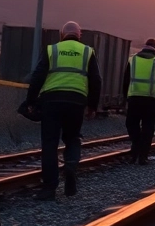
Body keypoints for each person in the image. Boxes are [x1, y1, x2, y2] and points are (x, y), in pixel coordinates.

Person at [25, 21, 101, 200]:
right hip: (76, 101)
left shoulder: (52, 50)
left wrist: (30, 101)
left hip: (51, 101)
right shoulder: (87, 52)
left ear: (62, 34)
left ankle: (49, 188)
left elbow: (37, 76)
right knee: (73, 138)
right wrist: (92, 106)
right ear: (79, 35)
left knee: (50, 144)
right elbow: (96, 80)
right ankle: (71, 166)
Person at [122, 38, 155, 165]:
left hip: (134, 98)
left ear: (145, 46)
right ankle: (143, 156)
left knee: (131, 124)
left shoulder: (133, 60)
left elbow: (126, 80)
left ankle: (135, 147)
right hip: (151, 100)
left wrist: (124, 97)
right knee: (148, 128)